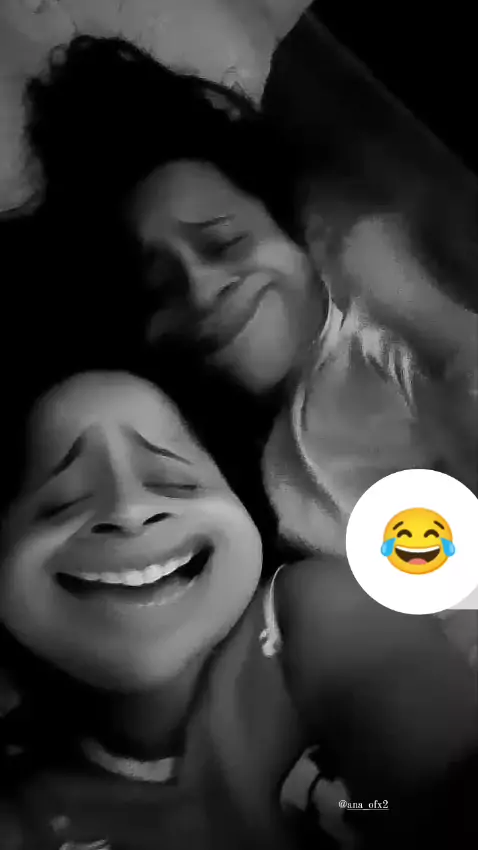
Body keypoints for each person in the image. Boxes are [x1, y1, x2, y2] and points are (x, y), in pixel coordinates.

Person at [23, 36, 478, 560]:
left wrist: (428, 323)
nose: (202, 290)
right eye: (160, 290)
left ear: (299, 232)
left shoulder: (391, 342)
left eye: (224, 243)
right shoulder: (274, 479)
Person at [0, 367, 477, 850]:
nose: (128, 511)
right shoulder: (28, 811)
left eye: (175, 481)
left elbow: (441, 779)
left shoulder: (308, 617)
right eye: (62, 502)